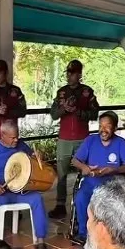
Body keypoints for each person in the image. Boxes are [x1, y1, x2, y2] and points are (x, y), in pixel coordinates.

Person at [0, 121, 49, 249]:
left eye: (17, 136)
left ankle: (40, 242)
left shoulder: (21, 145)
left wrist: (38, 156)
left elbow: (34, 159)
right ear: (3, 135)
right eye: (13, 137)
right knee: (3, 202)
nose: (16, 140)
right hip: (0, 192)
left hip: (21, 190)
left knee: (37, 199)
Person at [69, 112, 125, 244]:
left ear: (115, 128)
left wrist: (113, 169)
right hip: (91, 181)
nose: (103, 130)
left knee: (108, 204)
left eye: (107, 126)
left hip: (111, 184)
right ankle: (83, 233)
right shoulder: (90, 140)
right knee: (80, 198)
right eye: (100, 126)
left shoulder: (120, 143)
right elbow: (75, 160)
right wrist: (85, 168)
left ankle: (108, 235)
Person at [48, 60, 99, 219]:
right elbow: (53, 114)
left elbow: (94, 114)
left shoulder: (87, 92)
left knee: (83, 173)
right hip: (64, 139)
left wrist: (78, 111)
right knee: (61, 174)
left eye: (74, 73)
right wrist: (64, 109)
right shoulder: (61, 92)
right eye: (68, 73)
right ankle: (60, 205)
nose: (70, 76)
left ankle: (81, 205)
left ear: (79, 75)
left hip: (82, 140)